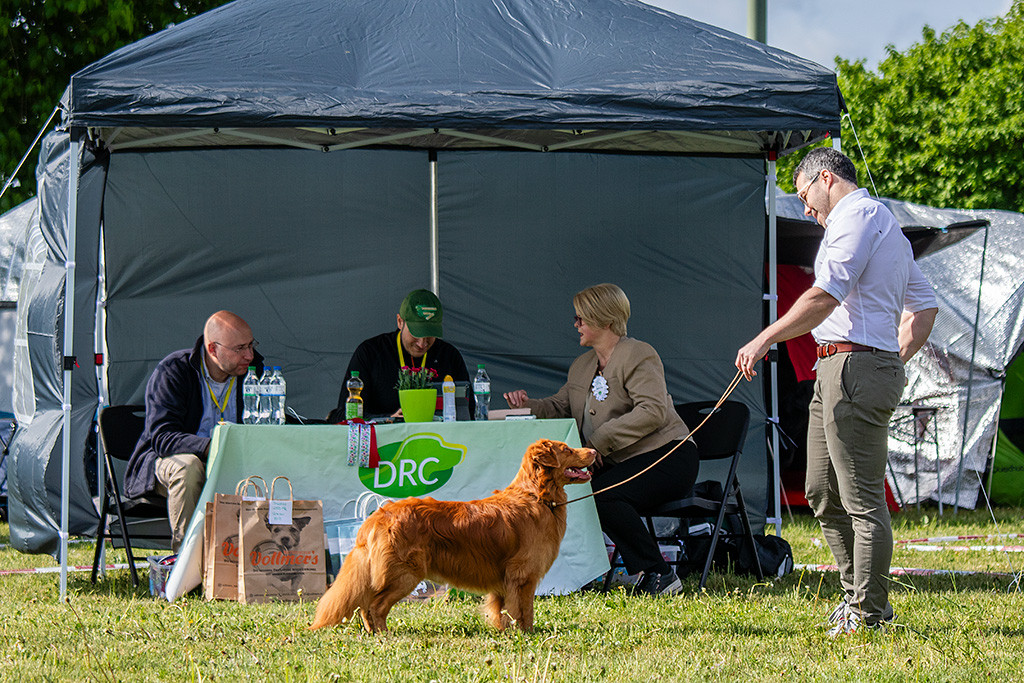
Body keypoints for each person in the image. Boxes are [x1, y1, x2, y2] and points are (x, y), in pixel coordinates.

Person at [735, 148, 938, 636]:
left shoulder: (859, 216)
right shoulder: (879, 223)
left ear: (826, 178)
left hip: (854, 366)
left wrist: (766, 337)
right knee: (821, 492)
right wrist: (890, 360)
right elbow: (924, 307)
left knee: (862, 499)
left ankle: (869, 614)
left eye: (805, 196)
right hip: (841, 367)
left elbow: (825, 294)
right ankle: (855, 600)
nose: (806, 210)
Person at [504, 283, 696, 596]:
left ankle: (660, 574)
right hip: (622, 459)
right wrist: (528, 405)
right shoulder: (582, 366)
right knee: (570, 489)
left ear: (605, 321)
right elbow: (561, 406)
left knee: (603, 495)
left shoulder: (639, 354)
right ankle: (579, 574)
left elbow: (653, 411)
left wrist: (598, 442)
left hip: (668, 456)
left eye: (581, 318)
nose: (576, 324)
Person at [125, 311, 263, 552]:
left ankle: (264, 563)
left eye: (251, 345)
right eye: (240, 348)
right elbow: (162, 438)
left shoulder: (255, 372)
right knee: (188, 467)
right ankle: (187, 566)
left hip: (235, 459)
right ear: (212, 349)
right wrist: (212, 447)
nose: (249, 355)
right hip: (168, 462)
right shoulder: (175, 370)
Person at [329, 289, 473, 420]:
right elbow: (342, 415)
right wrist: (388, 418)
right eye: (416, 333)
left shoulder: (449, 355)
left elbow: (470, 412)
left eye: (430, 334)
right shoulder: (370, 353)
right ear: (400, 322)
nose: (422, 343)